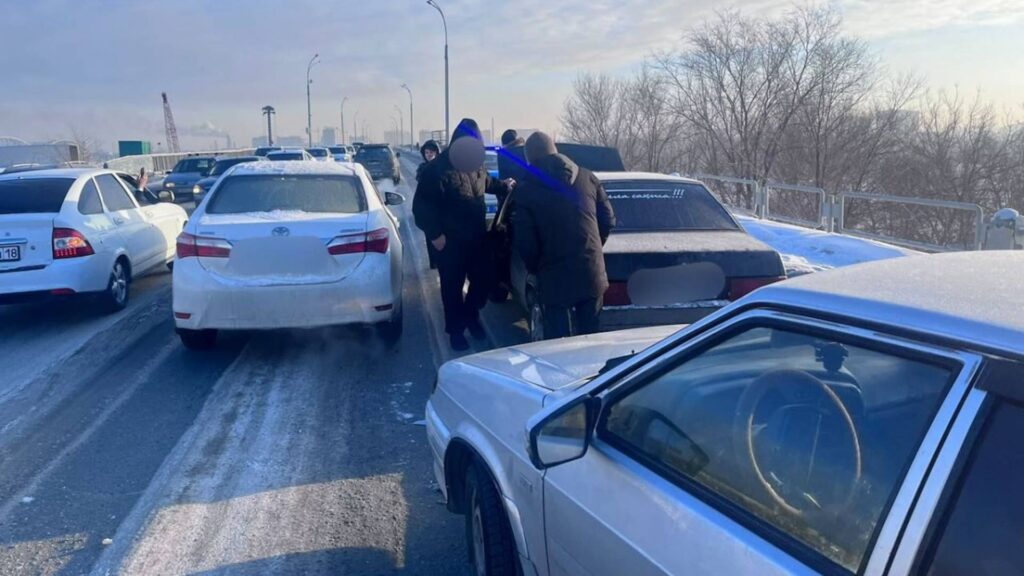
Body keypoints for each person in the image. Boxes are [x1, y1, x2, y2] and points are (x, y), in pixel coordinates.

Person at [413, 119, 514, 351]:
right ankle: (455, 331)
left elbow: (486, 182)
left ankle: (470, 315)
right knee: (452, 288)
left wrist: (504, 186)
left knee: (483, 282)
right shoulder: (437, 169)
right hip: (450, 243)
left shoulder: (475, 165)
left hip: (477, 238)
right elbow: (421, 208)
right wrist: (436, 235)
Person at [512, 131, 615, 339]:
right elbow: (608, 220)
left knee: (558, 345)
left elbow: (526, 242)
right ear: (556, 150)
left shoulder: (525, 190)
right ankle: (595, 372)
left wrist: (536, 267)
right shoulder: (587, 177)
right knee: (592, 339)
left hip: (553, 277)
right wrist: (592, 247)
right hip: (590, 271)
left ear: (529, 159)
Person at [416, 140, 441, 269]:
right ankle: (434, 262)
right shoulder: (422, 168)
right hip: (428, 209)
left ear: (437, 152)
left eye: (431, 152)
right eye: (426, 152)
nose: (429, 154)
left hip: (440, 209)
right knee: (430, 236)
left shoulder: (441, 167)